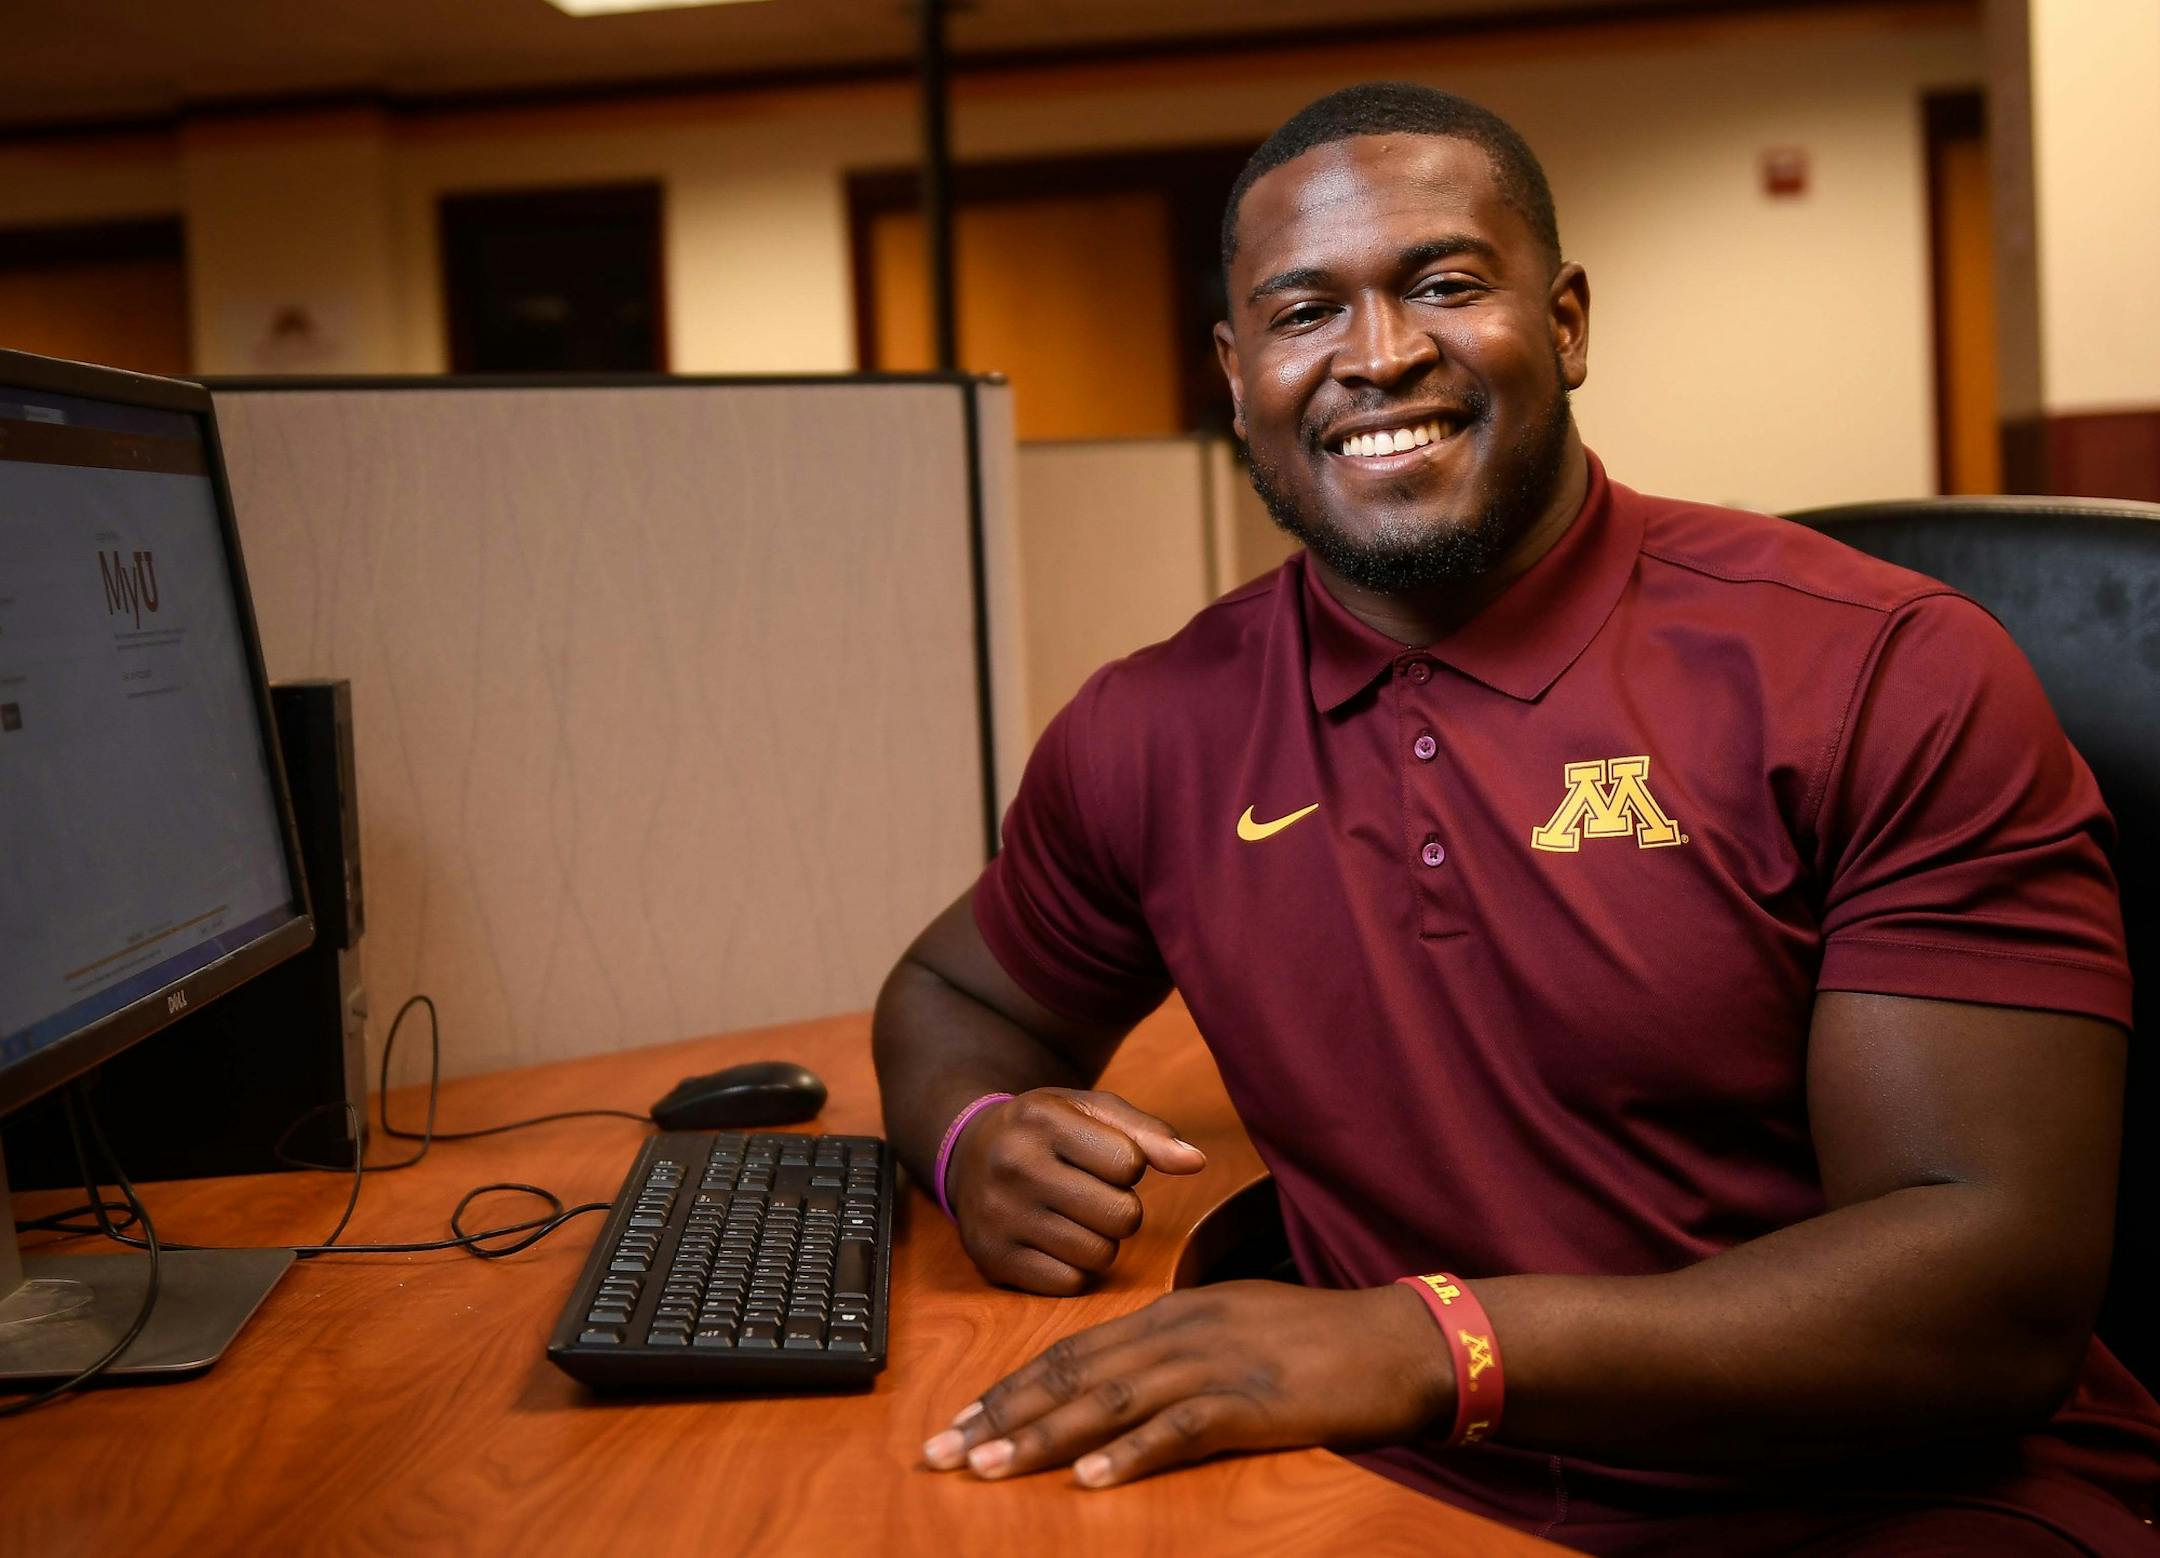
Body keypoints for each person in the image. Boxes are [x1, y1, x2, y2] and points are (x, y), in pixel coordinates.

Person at [871, 82, 2160, 1554]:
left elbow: (1990, 1293)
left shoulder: (1877, 670)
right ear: (1237, 375)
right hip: (1406, 1488)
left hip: (1889, 1503)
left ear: (1566, 324)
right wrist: (976, 1136)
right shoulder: (1153, 724)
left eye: (1443, 283)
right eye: (1305, 312)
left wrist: (1431, 1345)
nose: (1379, 354)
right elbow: (951, 992)